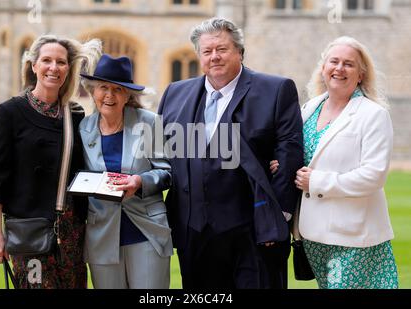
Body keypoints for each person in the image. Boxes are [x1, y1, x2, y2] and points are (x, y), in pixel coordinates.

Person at [158, 17, 303, 288]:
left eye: (222, 49)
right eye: (207, 51)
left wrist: (278, 215)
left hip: (254, 229)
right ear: (199, 55)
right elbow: (159, 155)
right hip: (194, 230)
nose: (214, 57)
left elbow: (290, 152)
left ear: (239, 51)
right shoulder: (174, 94)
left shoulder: (275, 89)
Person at [274, 36, 399, 289]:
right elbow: (299, 155)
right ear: (323, 68)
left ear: (361, 75)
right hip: (312, 234)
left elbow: (374, 175)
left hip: (353, 236)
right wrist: (281, 166)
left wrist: (317, 181)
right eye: (334, 61)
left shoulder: (373, 114)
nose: (339, 68)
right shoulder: (309, 108)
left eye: (349, 64)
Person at [0, 34, 101, 288]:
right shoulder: (10, 112)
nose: (53, 68)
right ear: (34, 65)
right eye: (46, 60)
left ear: (69, 69)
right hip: (29, 232)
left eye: (61, 62)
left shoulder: (76, 115)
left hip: (72, 233)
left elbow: (87, 169)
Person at [79, 54, 173, 289]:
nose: (109, 95)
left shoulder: (149, 122)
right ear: (93, 91)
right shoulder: (83, 128)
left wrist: (140, 182)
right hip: (101, 232)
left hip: (146, 230)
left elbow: (166, 171)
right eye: (103, 88)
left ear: (128, 94)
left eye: (117, 89)